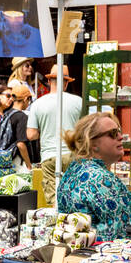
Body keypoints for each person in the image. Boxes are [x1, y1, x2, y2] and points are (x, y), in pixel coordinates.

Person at [56, 112, 131, 239]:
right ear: (92, 143)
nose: (120, 137)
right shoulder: (100, 178)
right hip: (105, 255)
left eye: (119, 131)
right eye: (113, 133)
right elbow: (119, 231)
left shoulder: (74, 169)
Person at [28, 65, 85, 206]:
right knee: (75, 194)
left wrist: (46, 128)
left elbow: (31, 134)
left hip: (49, 157)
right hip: (73, 154)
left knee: (54, 201)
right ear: (66, 83)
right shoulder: (79, 102)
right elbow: (86, 129)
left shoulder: (37, 104)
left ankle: (58, 223)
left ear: (49, 81)